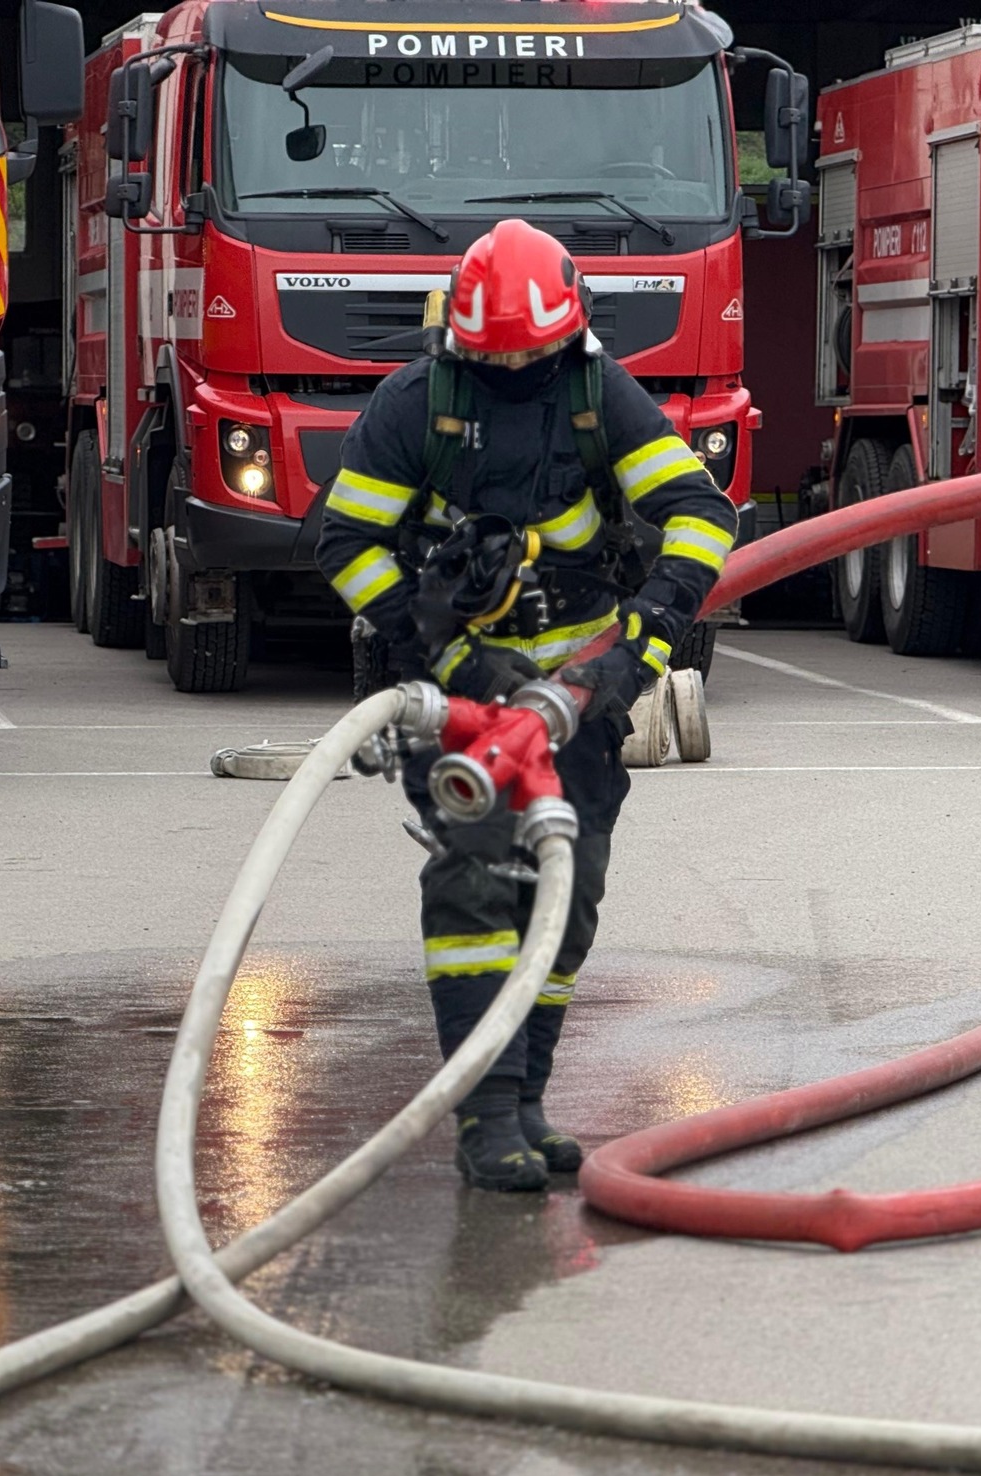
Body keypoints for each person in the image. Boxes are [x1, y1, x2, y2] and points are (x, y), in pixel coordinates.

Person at [315, 219, 739, 1191]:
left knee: (567, 898)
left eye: (532, 363)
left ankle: (529, 1096)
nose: (517, 378)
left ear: (566, 336)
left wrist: (643, 639)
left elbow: (699, 513)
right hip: (460, 705)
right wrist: (454, 655)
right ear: (460, 342)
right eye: (495, 365)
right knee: (476, 895)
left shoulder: (595, 395)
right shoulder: (419, 401)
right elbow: (347, 542)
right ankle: (485, 1117)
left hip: (581, 701)